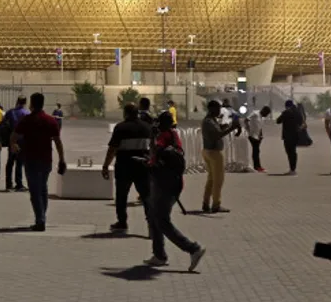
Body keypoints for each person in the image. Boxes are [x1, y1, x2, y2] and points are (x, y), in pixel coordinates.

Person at [144, 111, 206, 271]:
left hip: (163, 185)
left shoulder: (163, 137)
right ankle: (159, 254)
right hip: (174, 183)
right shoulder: (174, 135)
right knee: (155, 216)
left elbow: (154, 154)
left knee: (162, 220)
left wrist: (152, 138)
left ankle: (193, 248)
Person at [12, 92, 66, 231]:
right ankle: (42, 217)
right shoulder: (50, 120)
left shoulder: (27, 120)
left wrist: (14, 145)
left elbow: (14, 136)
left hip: (30, 159)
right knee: (43, 189)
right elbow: (58, 142)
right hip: (46, 159)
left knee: (35, 191)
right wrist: (62, 159)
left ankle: (40, 220)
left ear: (31, 104)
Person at [102, 103, 151, 233]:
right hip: (142, 167)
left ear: (126, 113)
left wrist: (106, 165)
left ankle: (122, 222)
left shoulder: (120, 128)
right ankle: (152, 225)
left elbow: (112, 149)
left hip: (124, 167)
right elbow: (152, 148)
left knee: (121, 196)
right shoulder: (147, 128)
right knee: (147, 197)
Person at [201, 100, 240, 212]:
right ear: (211, 109)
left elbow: (217, 131)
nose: (219, 110)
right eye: (217, 108)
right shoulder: (208, 121)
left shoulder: (212, 120)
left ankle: (206, 203)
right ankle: (216, 204)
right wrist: (232, 128)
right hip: (214, 153)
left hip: (209, 151)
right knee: (218, 180)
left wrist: (225, 126)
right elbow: (216, 136)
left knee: (211, 180)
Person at [1, 96, 30, 191]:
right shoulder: (26, 113)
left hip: (12, 139)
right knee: (19, 162)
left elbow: (3, 123)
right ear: (25, 102)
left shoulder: (10, 112)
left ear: (17, 101)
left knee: (10, 162)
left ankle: (8, 184)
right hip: (22, 140)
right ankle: (19, 184)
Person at [276, 100, 303, 176]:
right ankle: (293, 169)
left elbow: (278, 121)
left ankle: (292, 169)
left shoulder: (286, 113)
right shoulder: (298, 112)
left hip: (287, 136)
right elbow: (301, 122)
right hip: (295, 135)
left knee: (289, 152)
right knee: (293, 152)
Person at [244, 106, 271, 172]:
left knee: (256, 151)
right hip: (252, 135)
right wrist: (248, 129)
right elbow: (246, 120)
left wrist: (261, 135)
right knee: (256, 150)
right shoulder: (255, 113)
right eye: (266, 113)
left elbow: (260, 127)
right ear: (263, 110)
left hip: (257, 136)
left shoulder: (262, 118)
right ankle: (257, 167)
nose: (266, 115)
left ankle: (257, 166)